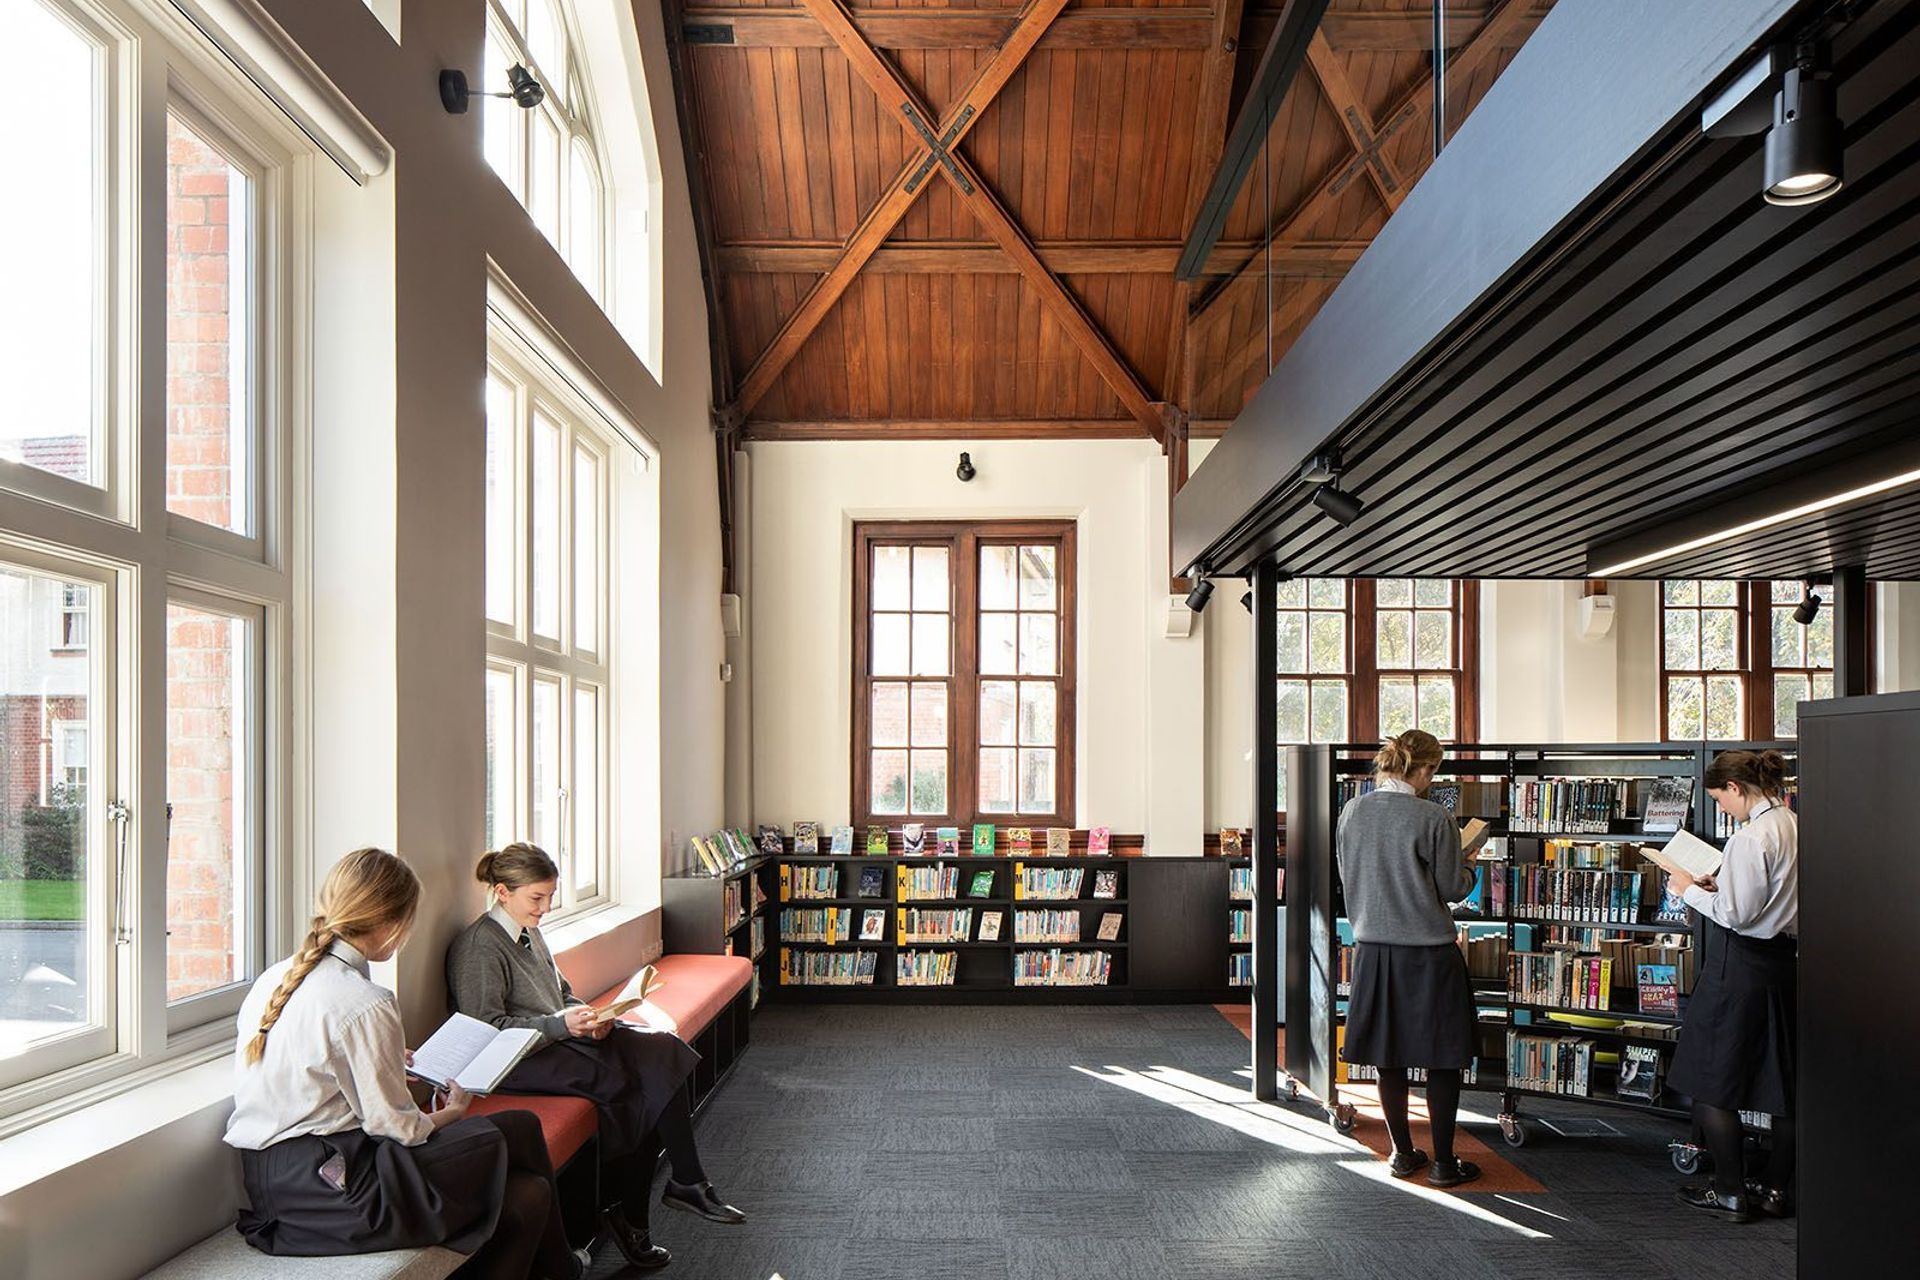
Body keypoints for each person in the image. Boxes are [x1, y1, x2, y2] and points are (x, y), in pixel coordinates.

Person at [225, 847, 586, 1280]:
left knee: (527, 1182)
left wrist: (388, 1061)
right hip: (340, 1188)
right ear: (395, 922)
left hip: (278, 1181)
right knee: (525, 1178)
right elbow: (397, 1128)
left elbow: (316, 1073)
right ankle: (562, 1269)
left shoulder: (278, 977)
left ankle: (561, 1270)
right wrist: (453, 1112)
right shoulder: (365, 1002)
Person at [448, 843, 746, 1272]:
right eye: (537, 898)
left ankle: (684, 1181)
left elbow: (560, 993)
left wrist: (589, 1014)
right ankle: (636, 1213)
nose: (546, 908)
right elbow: (485, 1030)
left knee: (663, 1050)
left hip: (560, 1038)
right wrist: (561, 1025)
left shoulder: (528, 929)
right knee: (638, 1089)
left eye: (551, 897)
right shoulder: (479, 947)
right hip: (518, 1061)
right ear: (501, 892)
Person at [1336, 729, 1484, 1188]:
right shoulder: (1432, 816)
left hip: (1374, 951)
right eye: (1433, 771)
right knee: (1443, 1059)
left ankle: (1402, 1153)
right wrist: (1470, 860)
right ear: (1425, 769)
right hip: (1429, 954)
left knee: (1389, 1056)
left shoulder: (1351, 811)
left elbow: (1349, 873)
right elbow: (1454, 888)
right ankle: (1443, 1162)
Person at [1664, 748, 1798, 1223]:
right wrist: (1719, 889)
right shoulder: (1796, 825)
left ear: (1737, 789)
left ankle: (1730, 1191)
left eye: (1721, 799)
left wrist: (1688, 890)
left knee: (1710, 1081)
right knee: (1783, 1083)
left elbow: (1737, 916)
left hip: (1738, 967)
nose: (1722, 808)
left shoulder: (1750, 838)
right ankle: (1778, 1190)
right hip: (1784, 965)